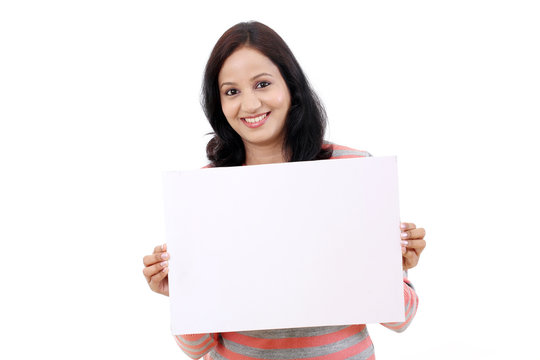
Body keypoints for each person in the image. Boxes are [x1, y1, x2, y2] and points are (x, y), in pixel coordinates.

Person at [142, 21, 426, 360]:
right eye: (231, 91)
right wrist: (183, 294)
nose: (249, 105)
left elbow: (401, 319)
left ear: (291, 85)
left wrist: (385, 267)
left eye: (262, 84)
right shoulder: (205, 191)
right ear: (218, 103)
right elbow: (197, 348)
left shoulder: (353, 169)